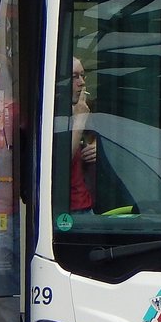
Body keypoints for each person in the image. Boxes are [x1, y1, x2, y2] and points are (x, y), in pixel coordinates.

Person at [71, 57, 97, 212]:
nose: (81, 82)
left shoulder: (86, 109)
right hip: (65, 204)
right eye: (74, 77)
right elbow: (60, 160)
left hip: (85, 200)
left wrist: (97, 146)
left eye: (82, 75)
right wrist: (79, 122)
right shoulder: (50, 116)